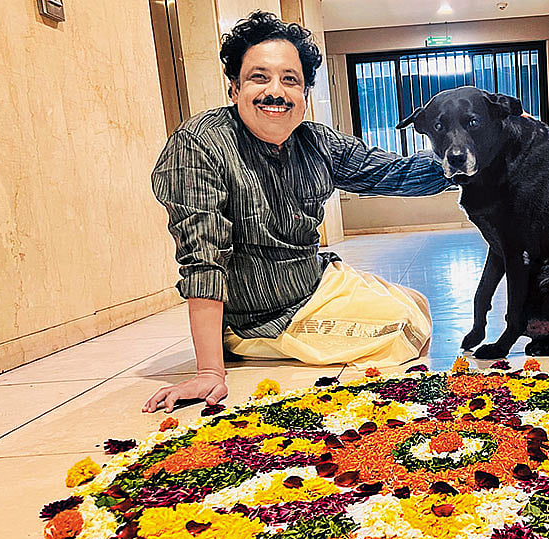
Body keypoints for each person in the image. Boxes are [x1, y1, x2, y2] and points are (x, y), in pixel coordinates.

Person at [143, 11, 450, 413]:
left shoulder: (315, 141)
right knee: (401, 330)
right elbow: (203, 259)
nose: (276, 92)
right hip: (258, 314)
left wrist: (482, 154)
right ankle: (255, 349)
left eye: (290, 79)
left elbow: (392, 173)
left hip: (315, 281)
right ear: (234, 87)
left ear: (303, 91)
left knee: (417, 305)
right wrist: (210, 372)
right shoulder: (199, 146)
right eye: (259, 77)